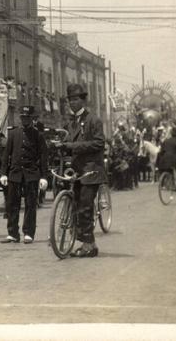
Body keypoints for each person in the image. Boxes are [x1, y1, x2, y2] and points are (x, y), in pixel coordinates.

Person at [53, 83, 106, 258]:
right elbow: (67, 141)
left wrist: (71, 145)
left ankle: (89, 244)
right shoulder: (70, 122)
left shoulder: (94, 120)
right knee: (75, 205)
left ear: (83, 100)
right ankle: (82, 240)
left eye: (76, 99)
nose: (72, 103)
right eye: (70, 100)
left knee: (85, 206)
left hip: (91, 170)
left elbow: (99, 143)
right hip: (76, 170)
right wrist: (59, 145)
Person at [0, 106, 48, 244]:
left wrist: (44, 176)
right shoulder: (14, 134)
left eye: (27, 117)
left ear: (32, 119)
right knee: (12, 204)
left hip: (31, 174)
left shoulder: (38, 135)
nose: (24, 120)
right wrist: (3, 173)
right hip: (15, 173)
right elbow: (6, 155)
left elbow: (43, 157)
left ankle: (28, 232)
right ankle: (13, 233)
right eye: (23, 117)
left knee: (30, 204)